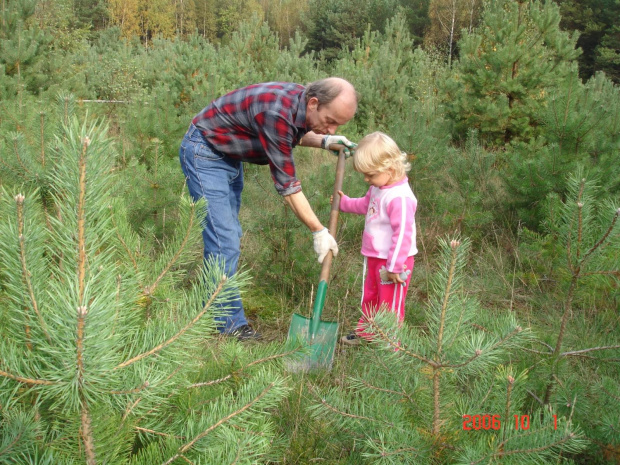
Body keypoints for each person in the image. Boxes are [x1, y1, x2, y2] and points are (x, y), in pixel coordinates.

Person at [179, 78, 358, 341]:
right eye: (330, 121)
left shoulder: (298, 104)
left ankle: (212, 305)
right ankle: (226, 325)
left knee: (227, 237)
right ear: (313, 103)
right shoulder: (276, 111)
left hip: (228, 155)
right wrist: (318, 230)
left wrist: (325, 140)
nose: (330, 128)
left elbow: (289, 133)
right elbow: (288, 187)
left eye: (337, 125)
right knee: (224, 240)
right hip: (205, 152)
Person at [336, 132, 417, 345]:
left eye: (369, 174)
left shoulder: (399, 198)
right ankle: (369, 332)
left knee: (390, 303)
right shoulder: (378, 188)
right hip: (374, 256)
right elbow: (365, 205)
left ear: (389, 169)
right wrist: (344, 203)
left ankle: (391, 343)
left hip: (394, 263)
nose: (366, 179)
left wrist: (394, 266)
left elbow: (403, 235)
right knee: (371, 295)